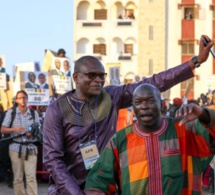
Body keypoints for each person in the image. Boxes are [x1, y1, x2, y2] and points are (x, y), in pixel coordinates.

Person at [43, 35, 214, 194]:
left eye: (101, 76)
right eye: (91, 75)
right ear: (76, 77)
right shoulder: (57, 109)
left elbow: (154, 83)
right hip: (67, 188)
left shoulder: (110, 97)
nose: (98, 80)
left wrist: (195, 61)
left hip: (104, 185)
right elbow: (53, 160)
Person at [84, 83, 215, 194]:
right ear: (133, 107)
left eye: (151, 101)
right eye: (138, 102)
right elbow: (97, 181)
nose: (144, 106)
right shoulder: (120, 140)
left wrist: (203, 115)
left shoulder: (185, 130)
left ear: (162, 105)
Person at [1, 90, 41, 195]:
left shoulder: (34, 113)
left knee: (31, 177)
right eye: (20, 98)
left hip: (30, 148)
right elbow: (3, 129)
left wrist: (32, 133)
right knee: (18, 178)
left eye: (24, 97)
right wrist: (15, 129)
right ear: (17, 100)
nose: (22, 99)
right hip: (15, 148)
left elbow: (39, 129)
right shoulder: (11, 113)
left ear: (27, 99)